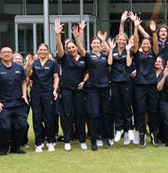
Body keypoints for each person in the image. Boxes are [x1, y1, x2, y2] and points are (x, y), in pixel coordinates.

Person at [54, 19, 89, 151]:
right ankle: (67, 140)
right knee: (68, 115)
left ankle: (82, 140)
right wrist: (58, 34)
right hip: (67, 90)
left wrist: (84, 81)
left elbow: (87, 73)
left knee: (80, 114)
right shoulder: (64, 58)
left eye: (73, 47)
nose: (71, 49)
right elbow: (59, 48)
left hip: (79, 90)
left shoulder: (83, 58)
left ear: (76, 48)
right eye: (69, 48)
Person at [0, 46, 29, 155]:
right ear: (0, 55)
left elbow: (24, 82)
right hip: (3, 104)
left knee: (22, 126)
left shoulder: (19, 68)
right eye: (4, 52)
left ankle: (15, 148)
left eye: (8, 52)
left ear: (12, 54)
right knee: (5, 128)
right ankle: (3, 149)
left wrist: (24, 95)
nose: (6, 54)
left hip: (18, 103)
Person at [81, 29, 114, 150]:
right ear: (91, 45)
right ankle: (94, 139)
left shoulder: (105, 56)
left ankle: (106, 137)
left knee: (106, 113)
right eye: (94, 43)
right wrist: (80, 34)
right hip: (93, 88)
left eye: (98, 43)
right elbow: (81, 48)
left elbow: (110, 59)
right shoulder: (89, 56)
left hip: (104, 87)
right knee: (94, 114)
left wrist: (103, 40)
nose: (96, 45)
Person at [131, 14, 160, 147]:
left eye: (148, 43)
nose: (146, 45)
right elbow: (135, 42)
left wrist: (153, 32)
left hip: (152, 85)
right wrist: (136, 27)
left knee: (153, 110)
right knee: (141, 110)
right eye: (145, 43)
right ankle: (142, 133)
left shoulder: (153, 54)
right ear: (142, 45)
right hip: (139, 85)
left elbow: (156, 45)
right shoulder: (138, 54)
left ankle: (154, 133)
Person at [26, 43, 59, 153]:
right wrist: (29, 65)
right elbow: (28, 75)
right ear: (37, 51)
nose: (42, 51)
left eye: (44, 50)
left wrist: (54, 90)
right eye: (40, 49)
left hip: (48, 93)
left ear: (48, 51)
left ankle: (50, 141)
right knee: (37, 118)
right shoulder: (34, 63)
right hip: (36, 93)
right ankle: (38, 143)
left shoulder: (52, 63)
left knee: (48, 118)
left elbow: (56, 78)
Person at [110, 16, 134, 146]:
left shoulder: (127, 51)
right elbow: (109, 63)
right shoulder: (112, 51)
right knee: (117, 106)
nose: (121, 41)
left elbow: (129, 64)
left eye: (123, 40)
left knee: (126, 106)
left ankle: (129, 128)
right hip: (114, 82)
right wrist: (122, 22)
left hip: (125, 81)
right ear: (116, 40)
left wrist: (129, 50)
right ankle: (119, 129)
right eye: (119, 39)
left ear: (126, 42)